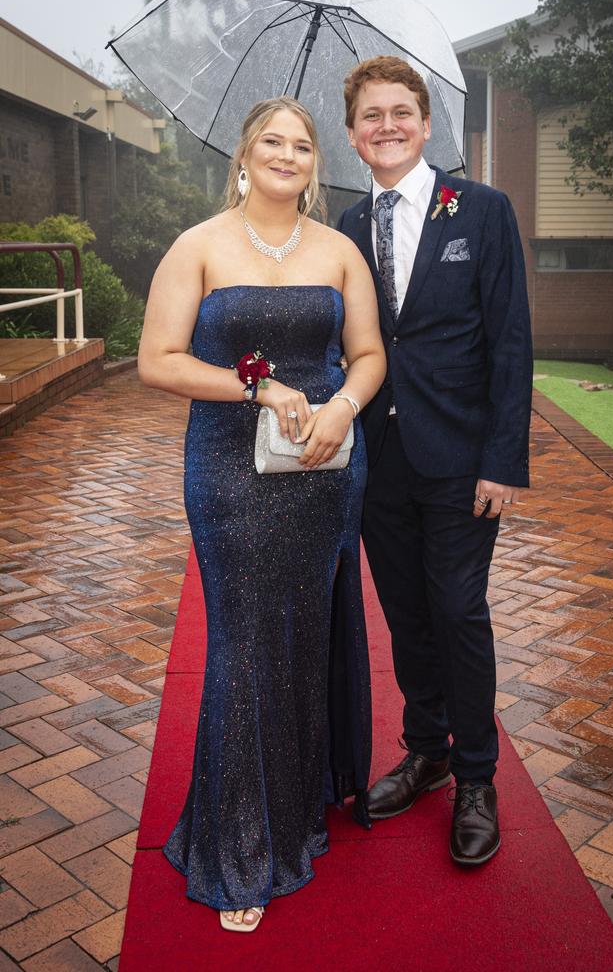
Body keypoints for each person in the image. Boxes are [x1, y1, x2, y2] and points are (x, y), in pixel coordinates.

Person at [138, 96, 385, 931]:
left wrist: (344, 405)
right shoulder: (198, 245)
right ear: (244, 155)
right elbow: (157, 361)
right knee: (244, 646)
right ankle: (237, 847)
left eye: (303, 144)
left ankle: (298, 812)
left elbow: (368, 354)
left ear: (317, 163)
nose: (288, 154)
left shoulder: (340, 251)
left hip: (322, 470)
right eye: (272, 141)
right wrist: (259, 384)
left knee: (300, 642)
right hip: (227, 473)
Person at [338, 56, 533, 865]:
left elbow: (511, 342)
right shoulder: (345, 229)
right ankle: (429, 750)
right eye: (370, 116)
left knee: (457, 610)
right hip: (377, 460)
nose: (386, 126)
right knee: (408, 615)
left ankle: (479, 778)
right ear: (353, 135)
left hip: (461, 459)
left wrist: (502, 462)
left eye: (400, 112)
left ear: (425, 124)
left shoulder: (482, 211)